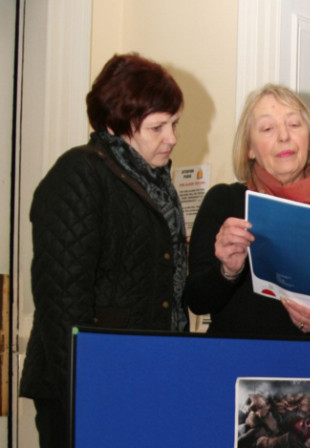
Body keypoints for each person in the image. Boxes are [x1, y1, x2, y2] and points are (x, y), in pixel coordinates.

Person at [20, 53, 188, 448]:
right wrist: (87, 396)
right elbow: (62, 302)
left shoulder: (156, 184)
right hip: (91, 387)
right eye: (157, 126)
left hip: (143, 378)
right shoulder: (79, 174)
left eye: (174, 123)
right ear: (116, 125)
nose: (173, 138)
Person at [184, 84, 310, 338]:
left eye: (294, 125)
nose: (284, 136)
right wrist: (227, 272)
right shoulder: (224, 202)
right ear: (249, 148)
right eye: (268, 128)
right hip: (237, 366)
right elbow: (197, 300)